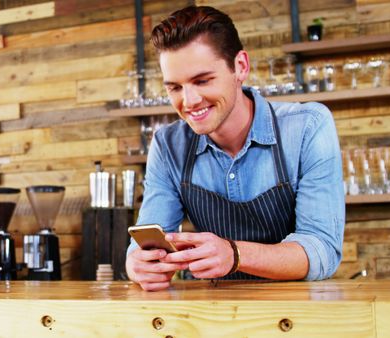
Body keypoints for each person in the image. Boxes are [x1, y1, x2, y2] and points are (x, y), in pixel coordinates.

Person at [126, 5, 345, 291]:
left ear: (240, 67)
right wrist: (136, 265)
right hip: (212, 314)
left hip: (295, 315)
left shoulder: (308, 127)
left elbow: (323, 250)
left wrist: (235, 254)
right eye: (175, 88)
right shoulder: (168, 145)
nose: (189, 101)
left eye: (202, 80)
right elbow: (142, 245)